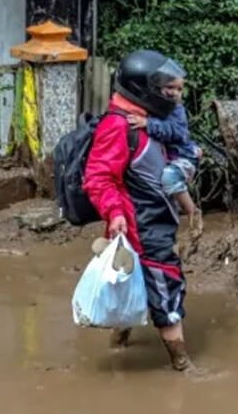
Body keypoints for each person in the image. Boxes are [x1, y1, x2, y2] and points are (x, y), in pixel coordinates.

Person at [83, 50, 200, 371]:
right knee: (166, 287)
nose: (173, 96)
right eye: (166, 90)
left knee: (129, 284)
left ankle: (119, 345)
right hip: (142, 228)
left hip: (151, 222)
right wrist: (115, 213)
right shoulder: (119, 126)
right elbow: (98, 177)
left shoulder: (150, 118)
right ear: (146, 91)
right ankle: (183, 364)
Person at [124, 65, 203, 237]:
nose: (175, 93)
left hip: (184, 157)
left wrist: (148, 124)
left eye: (179, 89)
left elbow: (176, 132)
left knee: (169, 177)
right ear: (158, 89)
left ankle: (192, 211)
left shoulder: (176, 110)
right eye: (170, 87)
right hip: (170, 158)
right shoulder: (155, 107)